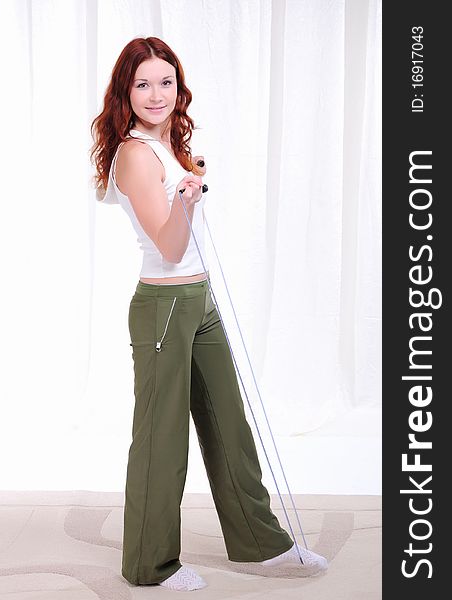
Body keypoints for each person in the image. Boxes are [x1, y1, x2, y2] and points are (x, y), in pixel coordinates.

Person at [90, 36, 328, 592]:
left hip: (199, 301)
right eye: (143, 83)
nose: (156, 93)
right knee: (162, 440)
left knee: (229, 426)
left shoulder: (169, 143)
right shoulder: (133, 153)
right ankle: (149, 565)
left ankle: (259, 543)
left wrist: (187, 188)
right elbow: (170, 246)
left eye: (165, 81)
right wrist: (187, 201)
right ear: (127, 90)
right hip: (164, 305)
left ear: (179, 85)